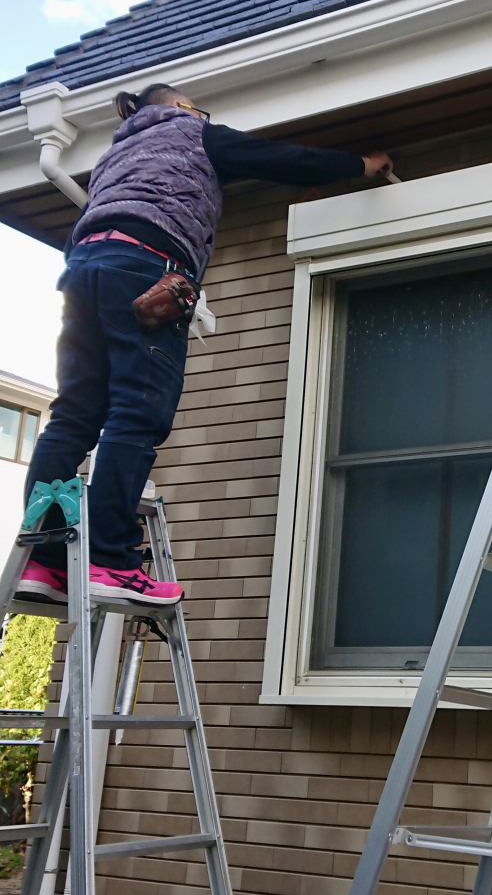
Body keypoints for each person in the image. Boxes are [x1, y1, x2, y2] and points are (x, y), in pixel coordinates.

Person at [17, 83, 392, 605]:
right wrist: (359, 165)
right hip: (147, 267)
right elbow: (280, 157)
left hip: (82, 269)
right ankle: (109, 559)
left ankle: (44, 559)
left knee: (75, 413)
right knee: (137, 411)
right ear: (179, 106)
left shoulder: (116, 154)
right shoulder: (193, 132)